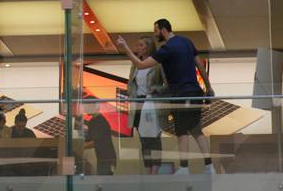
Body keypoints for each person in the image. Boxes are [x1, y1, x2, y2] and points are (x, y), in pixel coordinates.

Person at [117, 19, 215, 174]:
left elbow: (141, 65)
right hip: (195, 92)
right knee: (196, 130)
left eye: (156, 30)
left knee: (182, 131)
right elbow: (200, 65)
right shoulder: (187, 42)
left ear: (163, 30)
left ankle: (184, 168)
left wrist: (126, 48)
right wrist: (208, 87)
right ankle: (209, 167)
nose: (154, 34)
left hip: (180, 94)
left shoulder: (167, 48)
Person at [127, 36, 168, 174]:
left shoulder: (157, 64)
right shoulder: (135, 64)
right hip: (138, 103)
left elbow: (167, 84)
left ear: (148, 47)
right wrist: (130, 94)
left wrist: (155, 89)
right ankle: (147, 169)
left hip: (151, 102)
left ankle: (155, 170)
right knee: (143, 139)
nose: (138, 48)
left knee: (153, 137)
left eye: (141, 45)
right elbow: (131, 83)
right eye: (137, 45)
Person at [83, 98, 116, 175]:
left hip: (108, 160)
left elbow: (95, 143)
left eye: (87, 106)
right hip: (101, 159)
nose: (85, 108)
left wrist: (80, 147)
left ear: (94, 107)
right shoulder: (92, 121)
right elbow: (88, 140)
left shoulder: (101, 122)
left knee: (104, 180)